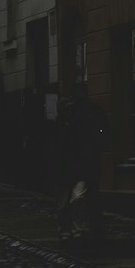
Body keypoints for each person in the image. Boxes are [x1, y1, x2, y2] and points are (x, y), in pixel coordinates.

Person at [56, 81, 108, 241]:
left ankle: (75, 230)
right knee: (69, 202)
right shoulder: (86, 114)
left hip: (78, 166)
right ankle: (73, 230)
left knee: (75, 200)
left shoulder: (83, 115)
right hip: (75, 166)